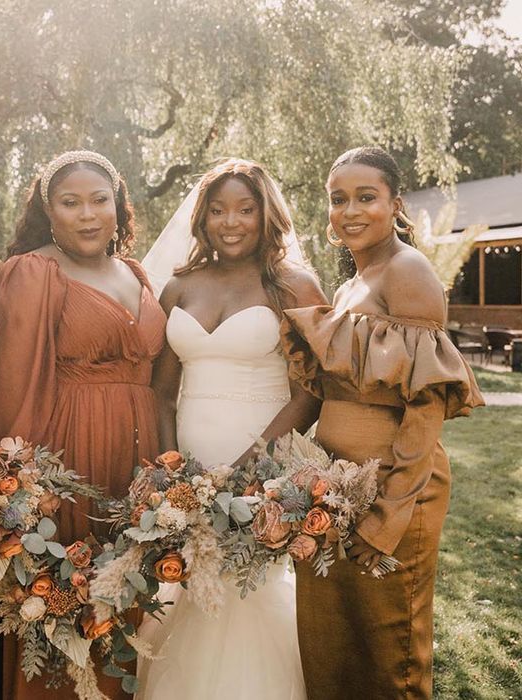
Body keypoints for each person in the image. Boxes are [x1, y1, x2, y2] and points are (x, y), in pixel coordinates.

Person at [280, 146, 484, 699]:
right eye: (338, 199)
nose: (349, 210)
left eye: (365, 197)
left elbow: (425, 409)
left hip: (394, 491)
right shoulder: (349, 285)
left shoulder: (408, 271)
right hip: (334, 491)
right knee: (332, 645)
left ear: (395, 205)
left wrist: (389, 516)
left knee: (388, 654)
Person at [138, 158, 327, 699]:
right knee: (191, 590)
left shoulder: (294, 285)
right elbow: (160, 391)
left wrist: (251, 468)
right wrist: (171, 468)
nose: (231, 221)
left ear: (266, 214)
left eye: (245, 209)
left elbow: (310, 392)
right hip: (189, 470)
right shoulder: (179, 286)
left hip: (261, 469)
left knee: (252, 590)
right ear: (202, 219)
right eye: (218, 210)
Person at [0, 150, 167, 699]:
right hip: (69, 455)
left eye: (98, 200)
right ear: (49, 211)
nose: (87, 215)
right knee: (66, 598)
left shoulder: (135, 272)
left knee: (127, 592)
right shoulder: (32, 271)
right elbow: (13, 383)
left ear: (118, 206)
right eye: (71, 203)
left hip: (137, 458)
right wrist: (17, 492)